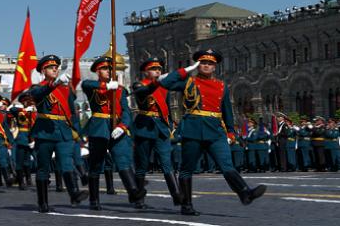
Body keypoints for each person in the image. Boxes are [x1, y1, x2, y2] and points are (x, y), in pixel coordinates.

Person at [158, 49, 266, 215]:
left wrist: (231, 131)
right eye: (203, 63)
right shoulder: (188, 81)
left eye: (210, 63)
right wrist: (185, 70)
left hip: (215, 131)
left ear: (215, 67)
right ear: (198, 65)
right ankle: (186, 205)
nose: (206, 66)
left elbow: (227, 111)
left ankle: (245, 193)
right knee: (187, 168)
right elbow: (164, 84)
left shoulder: (222, 86)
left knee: (226, 164)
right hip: (193, 129)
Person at [82, 56, 143, 210]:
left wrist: (122, 126)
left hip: (116, 127)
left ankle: (135, 194)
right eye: (104, 68)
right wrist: (106, 86)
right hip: (99, 128)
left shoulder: (120, 90)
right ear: (97, 70)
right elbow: (85, 84)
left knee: (123, 160)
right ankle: (94, 200)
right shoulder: (93, 86)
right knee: (96, 164)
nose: (108, 71)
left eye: (110, 68)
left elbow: (126, 111)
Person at [28, 55, 88, 212]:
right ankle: (43, 202)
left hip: (63, 131)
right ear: (43, 70)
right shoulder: (37, 87)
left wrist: (76, 131)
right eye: (50, 67)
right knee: (43, 168)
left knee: (67, 162)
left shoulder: (65, 88)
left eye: (56, 67)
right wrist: (54, 84)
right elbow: (37, 94)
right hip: (44, 131)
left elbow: (71, 111)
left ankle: (74, 193)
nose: (55, 69)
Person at [131, 57, 181, 208]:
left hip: (160, 127)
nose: (158, 71)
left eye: (159, 69)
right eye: (154, 69)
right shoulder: (139, 84)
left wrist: (171, 124)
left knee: (167, 163)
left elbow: (166, 108)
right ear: (145, 71)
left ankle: (177, 196)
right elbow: (144, 92)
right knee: (142, 165)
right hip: (144, 127)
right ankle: (139, 198)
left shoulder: (164, 88)